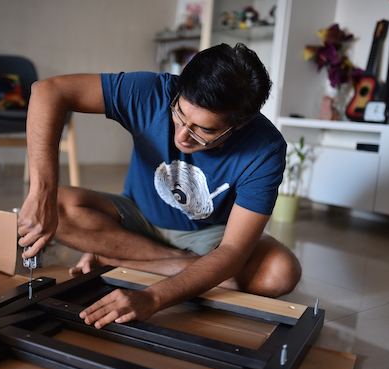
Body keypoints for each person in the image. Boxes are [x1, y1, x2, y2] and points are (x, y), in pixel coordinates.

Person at [17, 42, 301, 329]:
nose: (183, 136)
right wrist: (41, 192)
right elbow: (48, 91)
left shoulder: (265, 148)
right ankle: (182, 265)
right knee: (55, 204)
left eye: (205, 130)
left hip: (211, 238)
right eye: (180, 114)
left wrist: (152, 298)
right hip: (138, 217)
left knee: (280, 273)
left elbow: (232, 252)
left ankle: (117, 258)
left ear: (239, 125)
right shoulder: (152, 91)